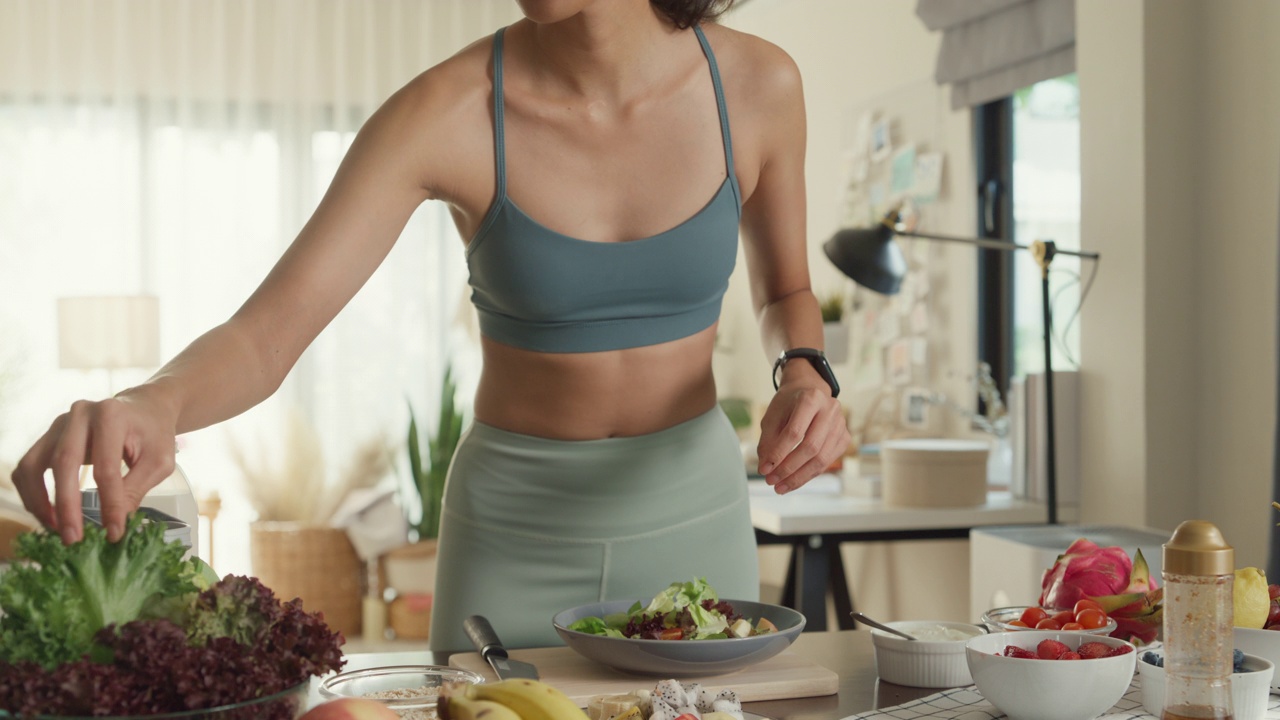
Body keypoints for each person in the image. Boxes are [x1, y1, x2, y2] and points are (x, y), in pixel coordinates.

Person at [11, 0, 850, 651]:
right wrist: (155, 402)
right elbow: (266, 337)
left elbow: (787, 292)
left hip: (693, 518)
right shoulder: (444, 110)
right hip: (514, 535)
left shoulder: (760, 86)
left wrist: (805, 369)